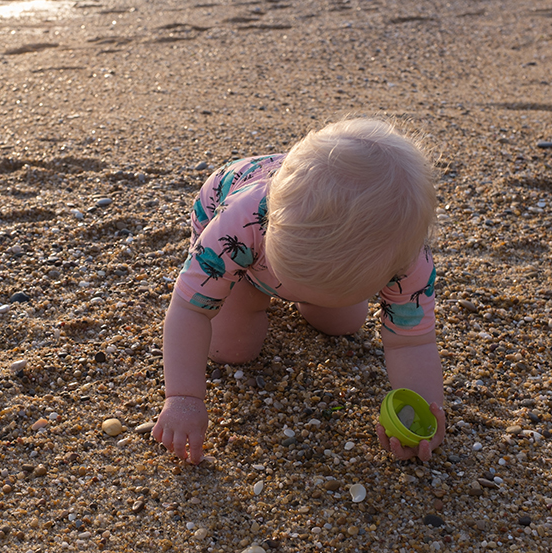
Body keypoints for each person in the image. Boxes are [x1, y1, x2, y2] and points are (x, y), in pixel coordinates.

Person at [152, 118, 446, 465]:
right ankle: (250, 289)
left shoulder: (407, 260)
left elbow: (411, 341)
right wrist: (184, 397)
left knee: (343, 324)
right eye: (293, 278)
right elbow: (190, 308)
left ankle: (322, 296)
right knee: (230, 348)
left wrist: (422, 414)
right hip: (242, 252)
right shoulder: (238, 224)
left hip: (287, 252)